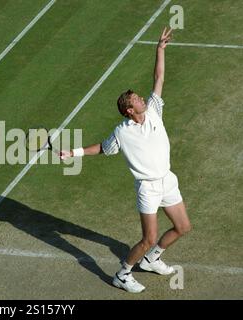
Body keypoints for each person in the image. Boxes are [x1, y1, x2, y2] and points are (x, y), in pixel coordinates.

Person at [60, 28, 191, 293]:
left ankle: (152, 259)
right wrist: (73, 153)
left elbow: (159, 77)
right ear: (130, 111)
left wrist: (160, 49)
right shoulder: (122, 132)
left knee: (183, 227)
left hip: (167, 180)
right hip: (148, 188)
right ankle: (122, 274)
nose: (143, 98)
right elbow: (103, 149)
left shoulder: (154, 110)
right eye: (136, 100)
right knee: (148, 238)